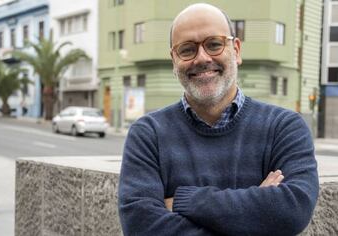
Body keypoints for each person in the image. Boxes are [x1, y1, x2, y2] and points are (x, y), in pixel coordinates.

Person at [118, 3, 319, 236]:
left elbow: (292, 210)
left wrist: (183, 200)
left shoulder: (284, 128)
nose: (202, 58)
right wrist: (257, 213)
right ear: (174, 60)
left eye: (214, 44)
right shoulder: (148, 134)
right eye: (187, 49)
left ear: (236, 50)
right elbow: (140, 226)